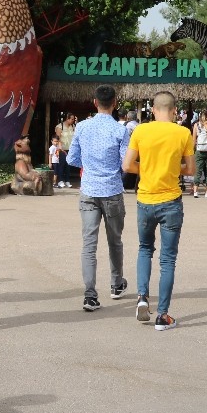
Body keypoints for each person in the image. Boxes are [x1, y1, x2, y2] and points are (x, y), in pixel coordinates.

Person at [122, 91, 195, 331]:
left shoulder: (141, 131)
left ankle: (142, 297)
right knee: (168, 259)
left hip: (145, 200)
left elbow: (127, 165)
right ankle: (163, 315)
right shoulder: (183, 133)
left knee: (144, 249)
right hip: (171, 201)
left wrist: (148, 169)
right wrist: (171, 168)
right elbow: (191, 169)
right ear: (174, 111)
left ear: (153, 110)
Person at [67, 85, 129, 312]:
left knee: (89, 244)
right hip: (112, 190)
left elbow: (72, 159)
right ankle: (116, 284)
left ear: (95, 102)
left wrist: (91, 167)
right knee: (115, 241)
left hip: (89, 191)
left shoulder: (82, 127)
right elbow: (126, 164)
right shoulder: (121, 131)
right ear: (114, 103)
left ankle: (90, 295)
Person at [191, 108, 207, 198]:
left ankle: (195, 191)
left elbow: (193, 139)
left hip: (199, 149)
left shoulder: (196, 125)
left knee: (198, 171)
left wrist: (192, 150)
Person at [55, 113, 77, 188]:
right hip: (62, 149)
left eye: (73, 119)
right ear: (67, 118)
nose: (73, 121)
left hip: (70, 149)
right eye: (72, 119)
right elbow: (57, 139)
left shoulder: (73, 126)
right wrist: (60, 149)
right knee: (62, 164)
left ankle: (67, 180)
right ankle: (60, 180)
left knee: (68, 165)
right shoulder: (60, 126)